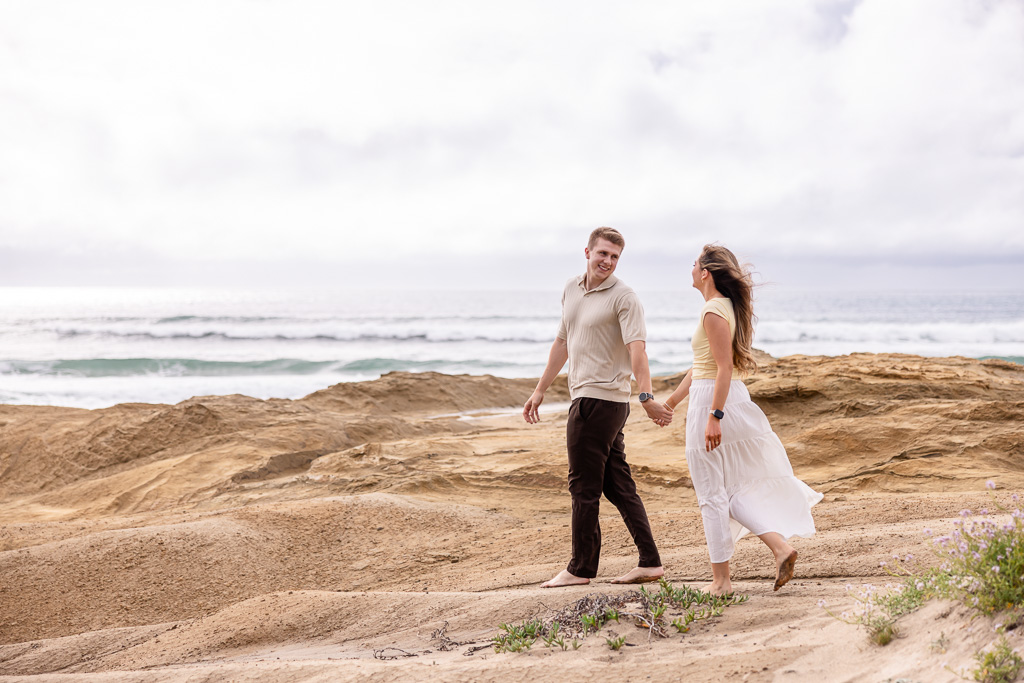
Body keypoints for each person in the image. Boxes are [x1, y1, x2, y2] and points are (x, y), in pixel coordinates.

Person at [663, 244, 823, 595]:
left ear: (705, 273)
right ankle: (781, 548)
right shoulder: (723, 308)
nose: (690, 269)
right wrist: (673, 401)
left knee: (710, 495)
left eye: (694, 265)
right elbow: (704, 365)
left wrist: (713, 417)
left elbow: (723, 368)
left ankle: (721, 582)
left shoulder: (712, 311)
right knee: (730, 491)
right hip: (724, 397)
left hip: (717, 401)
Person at [523, 227, 674, 588]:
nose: (607, 261)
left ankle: (580, 568)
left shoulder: (625, 297)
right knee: (618, 485)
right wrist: (540, 389)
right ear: (587, 251)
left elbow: (638, 349)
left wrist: (646, 396)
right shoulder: (572, 288)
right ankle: (650, 562)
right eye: (602, 253)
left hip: (602, 400)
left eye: (615, 257)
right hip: (585, 397)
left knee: (583, 487)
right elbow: (563, 341)